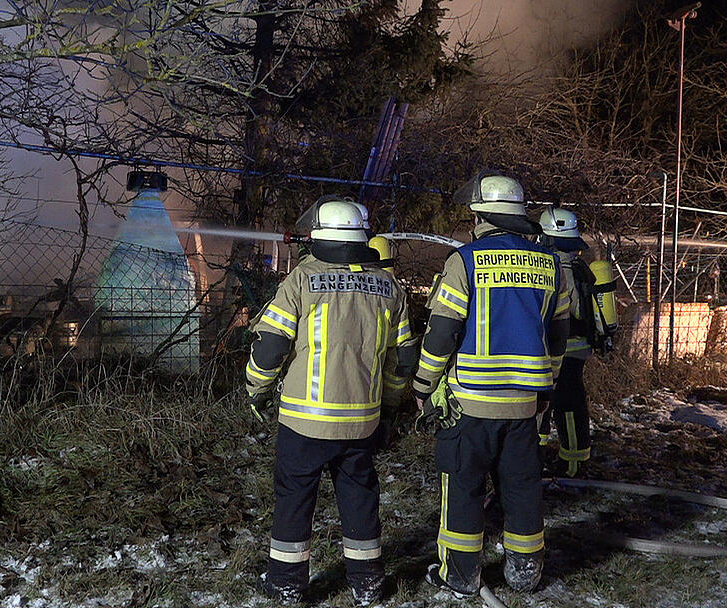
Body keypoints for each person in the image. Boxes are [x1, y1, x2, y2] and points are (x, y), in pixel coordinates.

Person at [246, 198, 418, 606]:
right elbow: (404, 357)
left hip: (304, 422)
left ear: (319, 235)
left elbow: (270, 346)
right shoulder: (389, 287)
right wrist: (389, 406)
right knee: (360, 496)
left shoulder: (302, 279)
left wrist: (257, 389)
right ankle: (367, 583)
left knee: (294, 498)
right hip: (363, 423)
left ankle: (287, 584)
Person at [411, 171, 571, 597]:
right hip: (525, 407)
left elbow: (442, 332)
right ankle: (525, 573)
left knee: (463, 486)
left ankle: (461, 576)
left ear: (481, 217)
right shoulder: (553, 264)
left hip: (471, 405)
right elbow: (558, 337)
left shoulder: (464, 261)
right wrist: (545, 389)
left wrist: (424, 385)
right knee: (521, 487)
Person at [537, 208, 607, 478]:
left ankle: (569, 462)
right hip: (577, 349)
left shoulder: (557, 269)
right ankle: (572, 458)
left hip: (559, 349)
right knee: (568, 404)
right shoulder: (577, 266)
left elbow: (568, 310)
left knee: (554, 404)